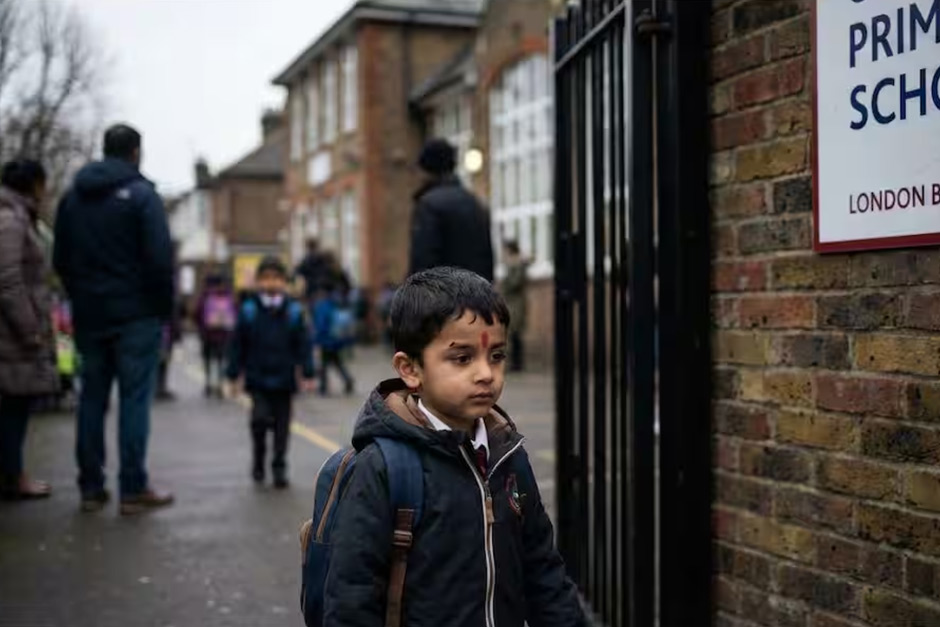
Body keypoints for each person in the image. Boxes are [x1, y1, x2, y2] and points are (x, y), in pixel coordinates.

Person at [323, 266, 585, 627]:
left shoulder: (507, 456)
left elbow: (544, 573)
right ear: (410, 369)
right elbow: (351, 599)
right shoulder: (383, 469)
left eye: (496, 355)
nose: (486, 374)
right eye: (462, 358)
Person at [53, 124, 175, 515]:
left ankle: (90, 487)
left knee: (91, 398)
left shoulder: (72, 199)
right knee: (134, 401)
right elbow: (160, 260)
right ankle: (132, 489)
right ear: (136, 152)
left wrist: (81, 296)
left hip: (90, 315)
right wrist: (162, 310)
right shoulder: (142, 196)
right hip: (137, 316)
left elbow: (60, 259)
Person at [226, 256, 315, 488]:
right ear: (258, 282)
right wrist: (233, 374)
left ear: (284, 282)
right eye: (266, 278)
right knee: (259, 420)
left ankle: (279, 465)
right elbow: (237, 345)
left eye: (276, 278)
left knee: (282, 426)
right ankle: (259, 457)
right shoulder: (249, 310)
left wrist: (308, 372)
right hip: (257, 378)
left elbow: (303, 344)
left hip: (284, 378)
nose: (271, 283)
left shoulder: (293, 311)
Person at [0, 159, 58, 500]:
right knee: (13, 408)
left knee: (14, 407)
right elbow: (7, 280)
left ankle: (13, 475)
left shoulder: (17, 215)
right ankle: (14, 478)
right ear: (34, 184)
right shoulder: (11, 219)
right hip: (12, 336)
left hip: (13, 333)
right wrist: (30, 329)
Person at [408, 139, 494, 282]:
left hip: (442, 293)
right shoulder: (475, 203)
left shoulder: (429, 206)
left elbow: (423, 262)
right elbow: (487, 260)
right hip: (475, 292)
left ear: (426, 170)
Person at [194, 274, 237, 398]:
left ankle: (209, 383)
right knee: (221, 360)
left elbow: (197, 313)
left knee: (209, 360)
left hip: (209, 335)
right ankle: (219, 384)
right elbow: (236, 314)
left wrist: (202, 328)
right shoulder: (230, 297)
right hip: (223, 335)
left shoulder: (205, 297)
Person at [312, 286, 355, 396]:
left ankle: (323, 387)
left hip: (326, 341)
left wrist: (316, 340)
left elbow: (321, 325)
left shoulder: (322, 307)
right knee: (336, 363)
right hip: (336, 341)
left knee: (324, 365)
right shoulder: (334, 304)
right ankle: (347, 380)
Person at [501, 240, 530, 372]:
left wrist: (505, 285)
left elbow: (515, 283)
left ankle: (517, 364)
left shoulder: (516, 265)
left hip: (516, 303)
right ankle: (516, 363)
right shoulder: (514, 265)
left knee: (515, 332)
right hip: (512, 302)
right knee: (514, 333)